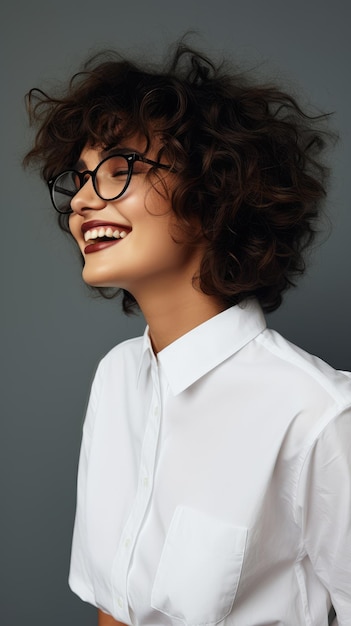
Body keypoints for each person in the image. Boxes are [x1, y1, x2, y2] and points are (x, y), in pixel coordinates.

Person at [24, 41, 351, 626]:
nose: (80, 201)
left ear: (213, 196)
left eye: (121, 170)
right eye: (78, 178)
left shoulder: (316, 414)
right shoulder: (116, 377)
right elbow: (115, 607)